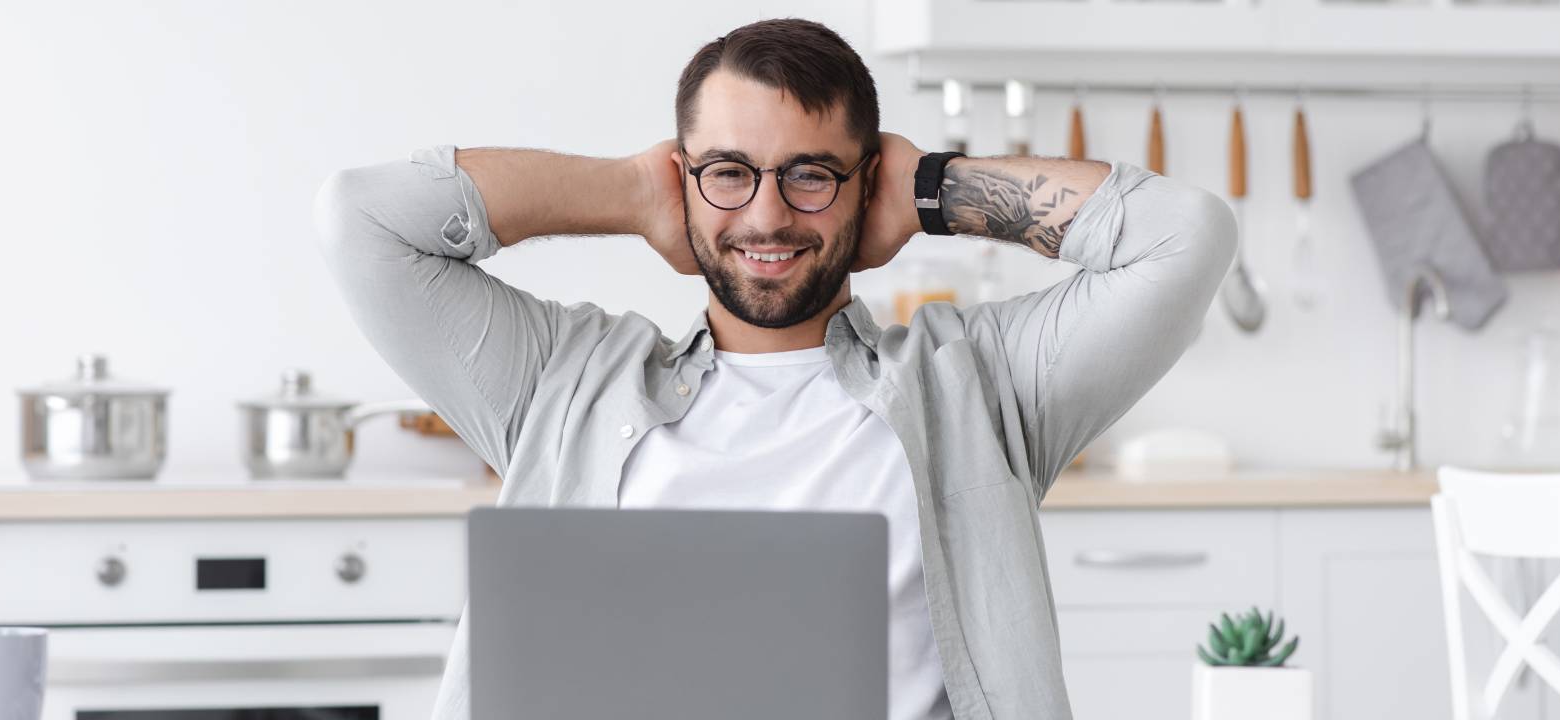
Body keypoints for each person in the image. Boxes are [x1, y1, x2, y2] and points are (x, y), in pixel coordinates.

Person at [315, 17, 1235, 720]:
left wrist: (933, 188)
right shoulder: (563, 380)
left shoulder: (980, 388)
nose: (766, 217)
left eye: (810, 175)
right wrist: (633, 193)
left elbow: (1184, 237)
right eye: (728, 172)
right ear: (684, 175)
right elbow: (363, 220)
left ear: (866, 184)